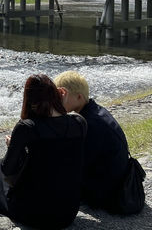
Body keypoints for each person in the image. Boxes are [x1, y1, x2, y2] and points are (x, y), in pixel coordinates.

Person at [0, 74, 87, 230]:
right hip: (67, 212)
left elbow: (8, 169)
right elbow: (57, 157)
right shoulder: (79, 122)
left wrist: (14, 146)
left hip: (35, 214)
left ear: (29, 100)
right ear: (55, 95)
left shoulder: (27, 127)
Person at [53, 71, 129, 212]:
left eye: (61, 96)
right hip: (113, 180)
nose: (57, 102)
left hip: (108, 193)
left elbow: (74, 164)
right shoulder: (94, 111)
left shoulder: (91, 124)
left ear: (79, 97)